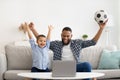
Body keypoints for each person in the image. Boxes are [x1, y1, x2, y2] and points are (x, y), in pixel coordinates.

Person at [29, 21, 107, 80]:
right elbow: (42, 40)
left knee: (87, 65)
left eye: (67, 36)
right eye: (63, 36)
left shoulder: (77, 43)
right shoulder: (56, 44)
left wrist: (101, 29)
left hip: (74, 66)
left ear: (71, 35)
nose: (65, 38)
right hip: (60, 68)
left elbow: (93, 42)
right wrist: (33, 29)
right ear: (61, 35)